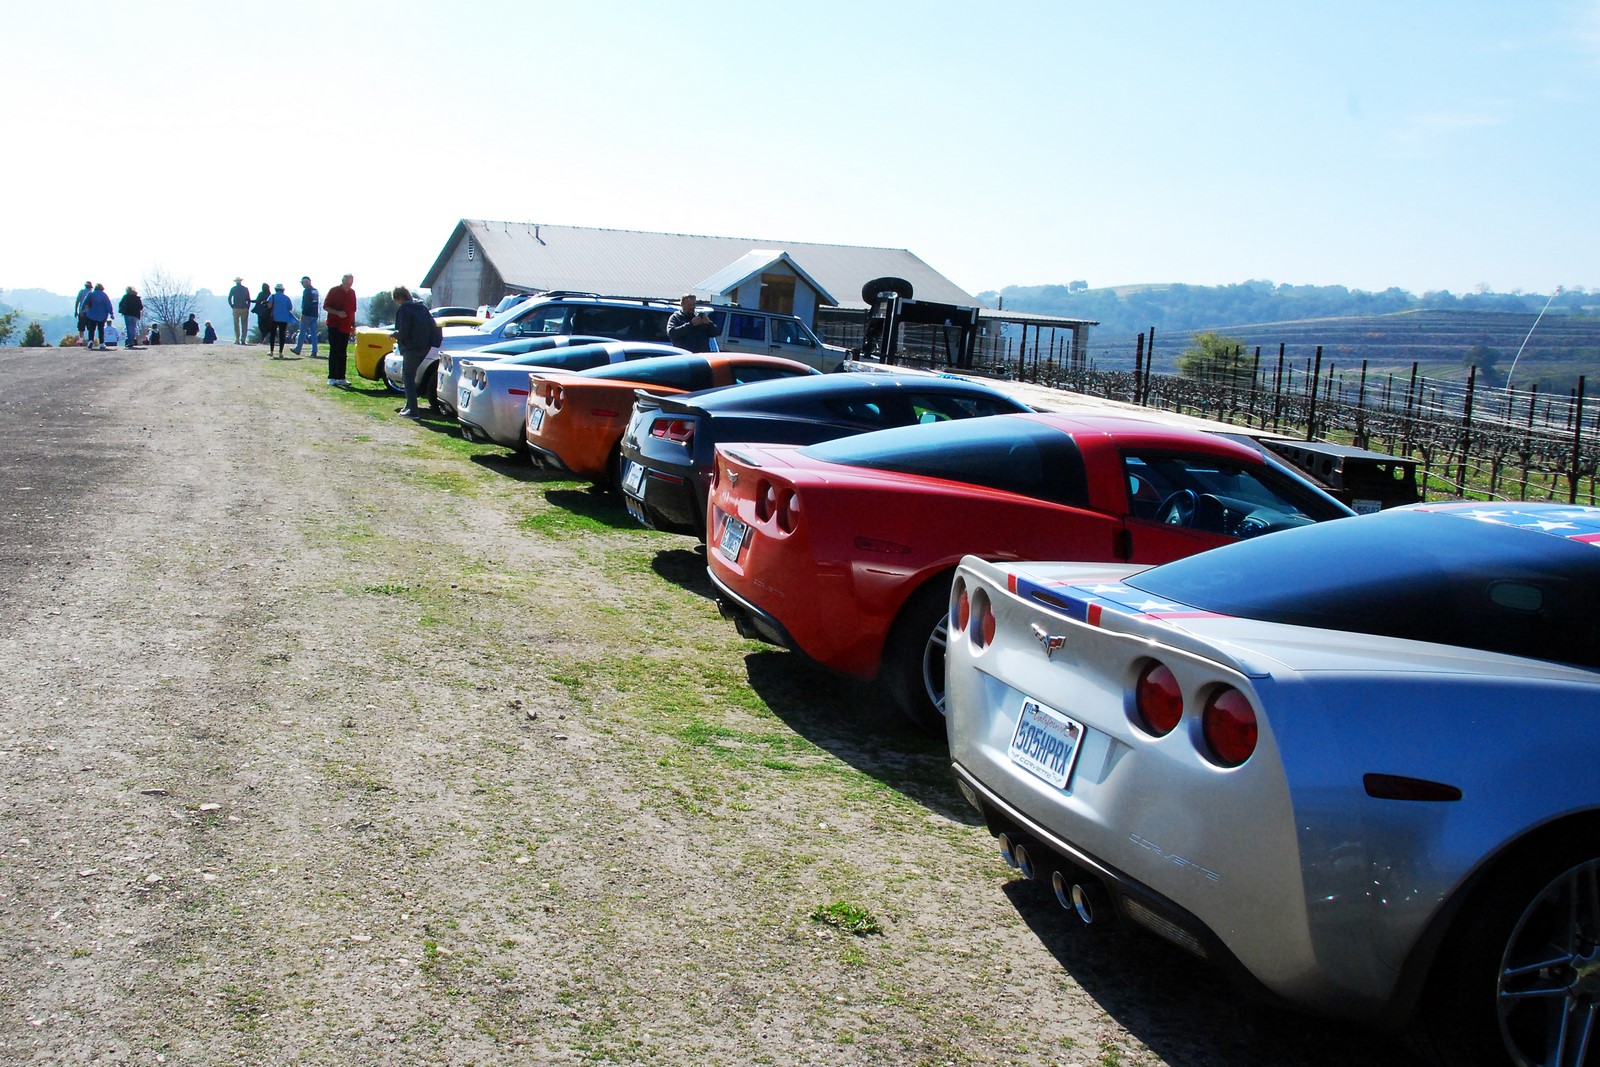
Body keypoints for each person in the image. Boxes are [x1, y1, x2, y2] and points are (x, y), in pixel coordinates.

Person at [392, 285, 433, 417]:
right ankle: (409, 405)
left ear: (399, 298)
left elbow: (404, 332)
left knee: (407, 377)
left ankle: (413, 411)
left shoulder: (405, 310)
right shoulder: (422, 308)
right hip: (424, 347)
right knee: (410, 375)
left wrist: (394, 334)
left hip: (411, 348)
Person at [322, 273, 356, 387]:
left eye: (350, 283)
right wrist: (338, 313)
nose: (348, 285)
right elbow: (326, 306)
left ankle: (341, 377)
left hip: (346, 326)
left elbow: (353, 310)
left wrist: (353, 325)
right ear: (342, 281)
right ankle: (332, 377)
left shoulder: (352, 293)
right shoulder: (334, 291)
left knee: (343, 352)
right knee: (334, 351)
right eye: (347, 283)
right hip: (334, 325)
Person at [290, 275, 319, 357]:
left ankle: (298, 349)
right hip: (314, 314)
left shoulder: (306, 290)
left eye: (302, 283)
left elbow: (306, 303)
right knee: (314, 334)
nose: (302, 284)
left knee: (302, 332)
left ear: (306, 282)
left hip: (307, 314)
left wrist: (303, 314)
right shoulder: (315, 290)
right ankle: (314, 351)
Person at [81, 283, 114, 349]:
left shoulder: (91, 294)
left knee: (91, 329)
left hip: (92, 314)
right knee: (101, 329)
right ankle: (101, 343)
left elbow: (85, 303)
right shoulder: (104, 295)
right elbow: (108, 304)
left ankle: (90, 341)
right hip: (102, 315)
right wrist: (111, 313)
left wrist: (83, 311)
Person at [269, 283, 294, 357]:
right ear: (283, 290)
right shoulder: (286, 298)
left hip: (274, 317)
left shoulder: (272, 296)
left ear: (276, 289)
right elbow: (290, 308)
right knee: (282, 335)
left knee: (273, 334)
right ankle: (280, 352)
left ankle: (271, 351)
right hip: (284, 318)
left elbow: (269, 305)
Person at [227, 276, 252, 344]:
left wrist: (232, 305)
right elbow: (248, 299)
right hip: (244, 308)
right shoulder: (245, 289)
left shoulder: (233, 289)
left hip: (236, 308)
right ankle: (243, 339)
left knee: (236, 324)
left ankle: (237, 339)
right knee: (244, 324)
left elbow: (229, 298)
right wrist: (248, 307)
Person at [118, 286, 143, 350]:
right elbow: (141, 307)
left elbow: (120, 304)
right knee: (133, 328)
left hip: (128, 314)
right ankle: (133, 340)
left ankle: (130, 341)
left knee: (129, 328)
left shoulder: (125, 297)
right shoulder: (137, 298)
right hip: (135, 315)